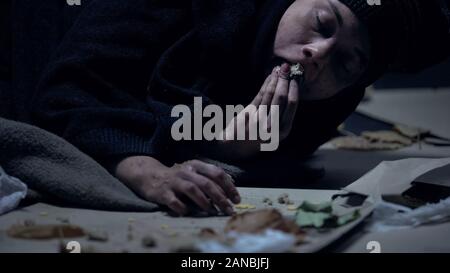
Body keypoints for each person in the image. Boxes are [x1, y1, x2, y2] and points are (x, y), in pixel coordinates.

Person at [2, 0, 448, 215]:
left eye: (346, 61)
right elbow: (68, 92)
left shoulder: (325, 103)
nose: (318, 53)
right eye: (321, 24)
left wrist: (234, 149)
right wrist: (145, 170)